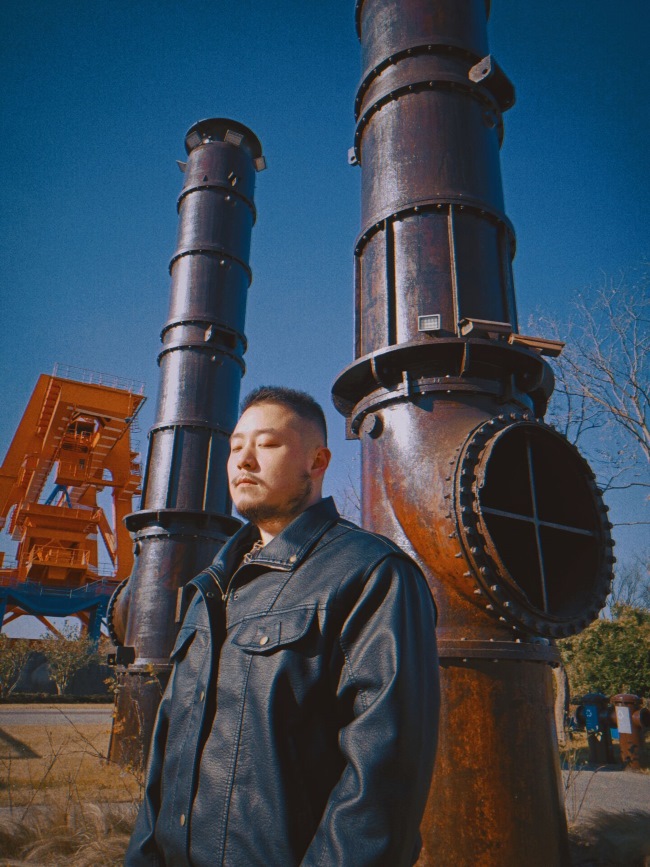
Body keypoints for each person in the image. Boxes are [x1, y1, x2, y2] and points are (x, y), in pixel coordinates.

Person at [125, 386, 439, 867]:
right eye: (235, 447)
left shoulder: (371, 573)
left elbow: (383, 782)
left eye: (267, 444)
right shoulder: (210, 587)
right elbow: (166, 753)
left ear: (317, 461)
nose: (243, 460)